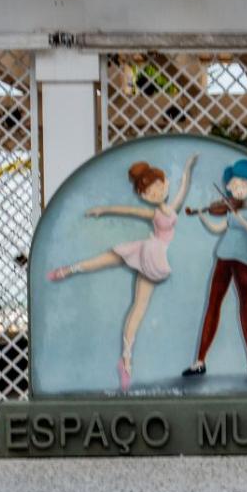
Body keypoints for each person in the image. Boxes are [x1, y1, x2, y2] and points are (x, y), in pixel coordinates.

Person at [46, 155, 197, 392]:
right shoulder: (156, 214)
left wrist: (188, 166)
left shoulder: (171, 208)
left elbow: (183, 187)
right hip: (150, 251)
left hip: (154, 256)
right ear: (144, 197)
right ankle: (68, 270)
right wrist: (103, 209)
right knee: (110, 261)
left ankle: (126, 360)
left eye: (158, 188)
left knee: (138, 306)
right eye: (149, 193)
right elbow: (127, 210)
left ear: (165, 183)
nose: (155, 194)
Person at [182, 158, 247, 381]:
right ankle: (199, 361)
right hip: (223, 256)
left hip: (243, 259)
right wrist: (202, 215)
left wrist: (246, 224)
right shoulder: (230, 209)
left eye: (242, 185)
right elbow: (218, 228)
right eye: (234, 185)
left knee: (246, 305)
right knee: (213, 303)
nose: (237, 189)